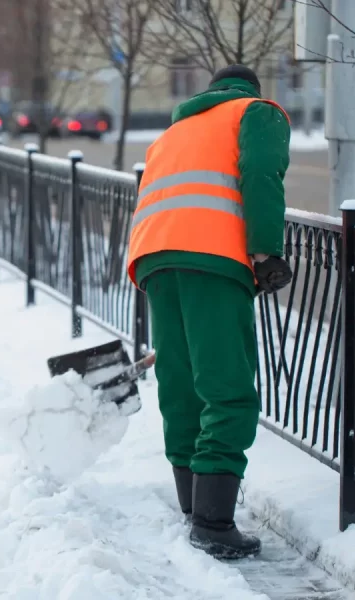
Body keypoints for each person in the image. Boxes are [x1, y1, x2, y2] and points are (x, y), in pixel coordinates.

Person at [125, 65, 293, 559]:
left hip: (155, 257)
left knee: (180, 382)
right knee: (227, 386)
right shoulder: (256, 113)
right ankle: (214, 523)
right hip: (212, 259)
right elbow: (262, 176)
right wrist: (266, 252)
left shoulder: (175, 130)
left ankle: (192, 504)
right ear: (249, 90)